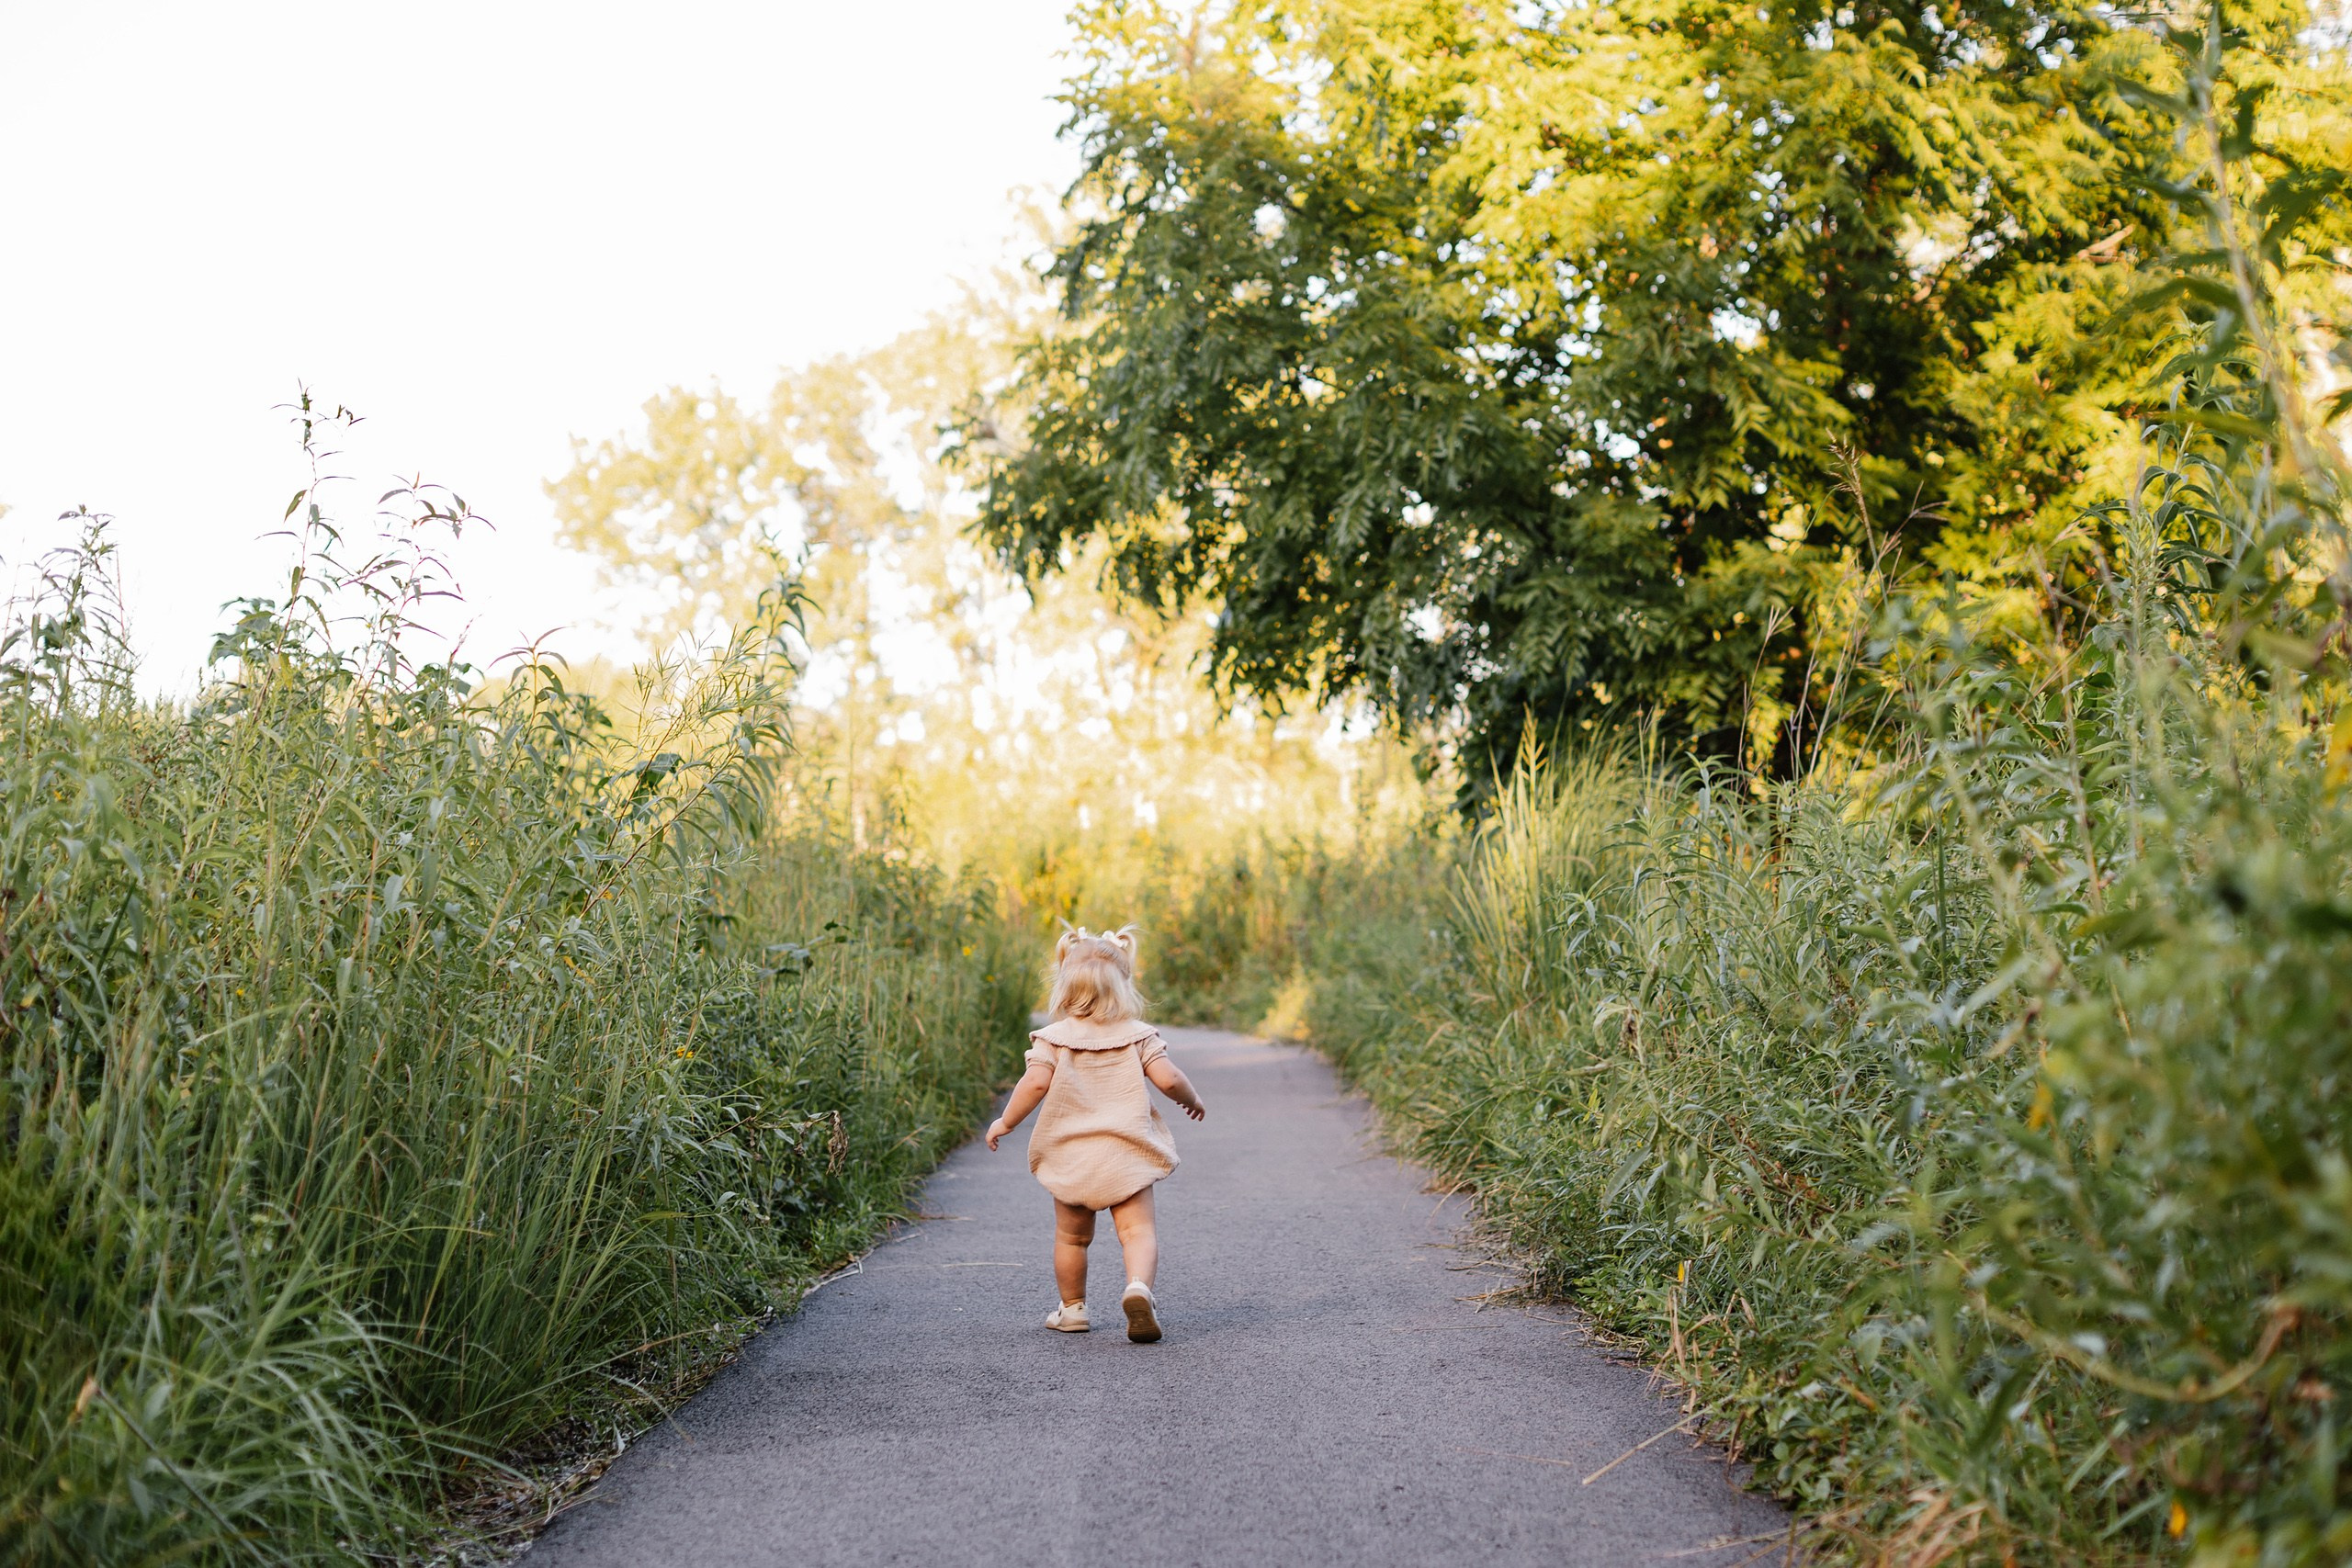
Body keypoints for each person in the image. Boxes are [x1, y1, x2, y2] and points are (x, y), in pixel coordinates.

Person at [985, 926, 1206, 1342]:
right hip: (1126, 1154)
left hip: (1071, 1158)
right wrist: (1191, 1099)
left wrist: (1006, 1122)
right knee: (1137, 1232)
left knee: (1071, 1237)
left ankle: (1073, 1310)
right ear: (1124, 988)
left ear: (1063, 988)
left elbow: (1033, 1085)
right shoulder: (1138, 1035)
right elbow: (1168, 1077)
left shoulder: (1053, 1039)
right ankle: (1138, 1288)